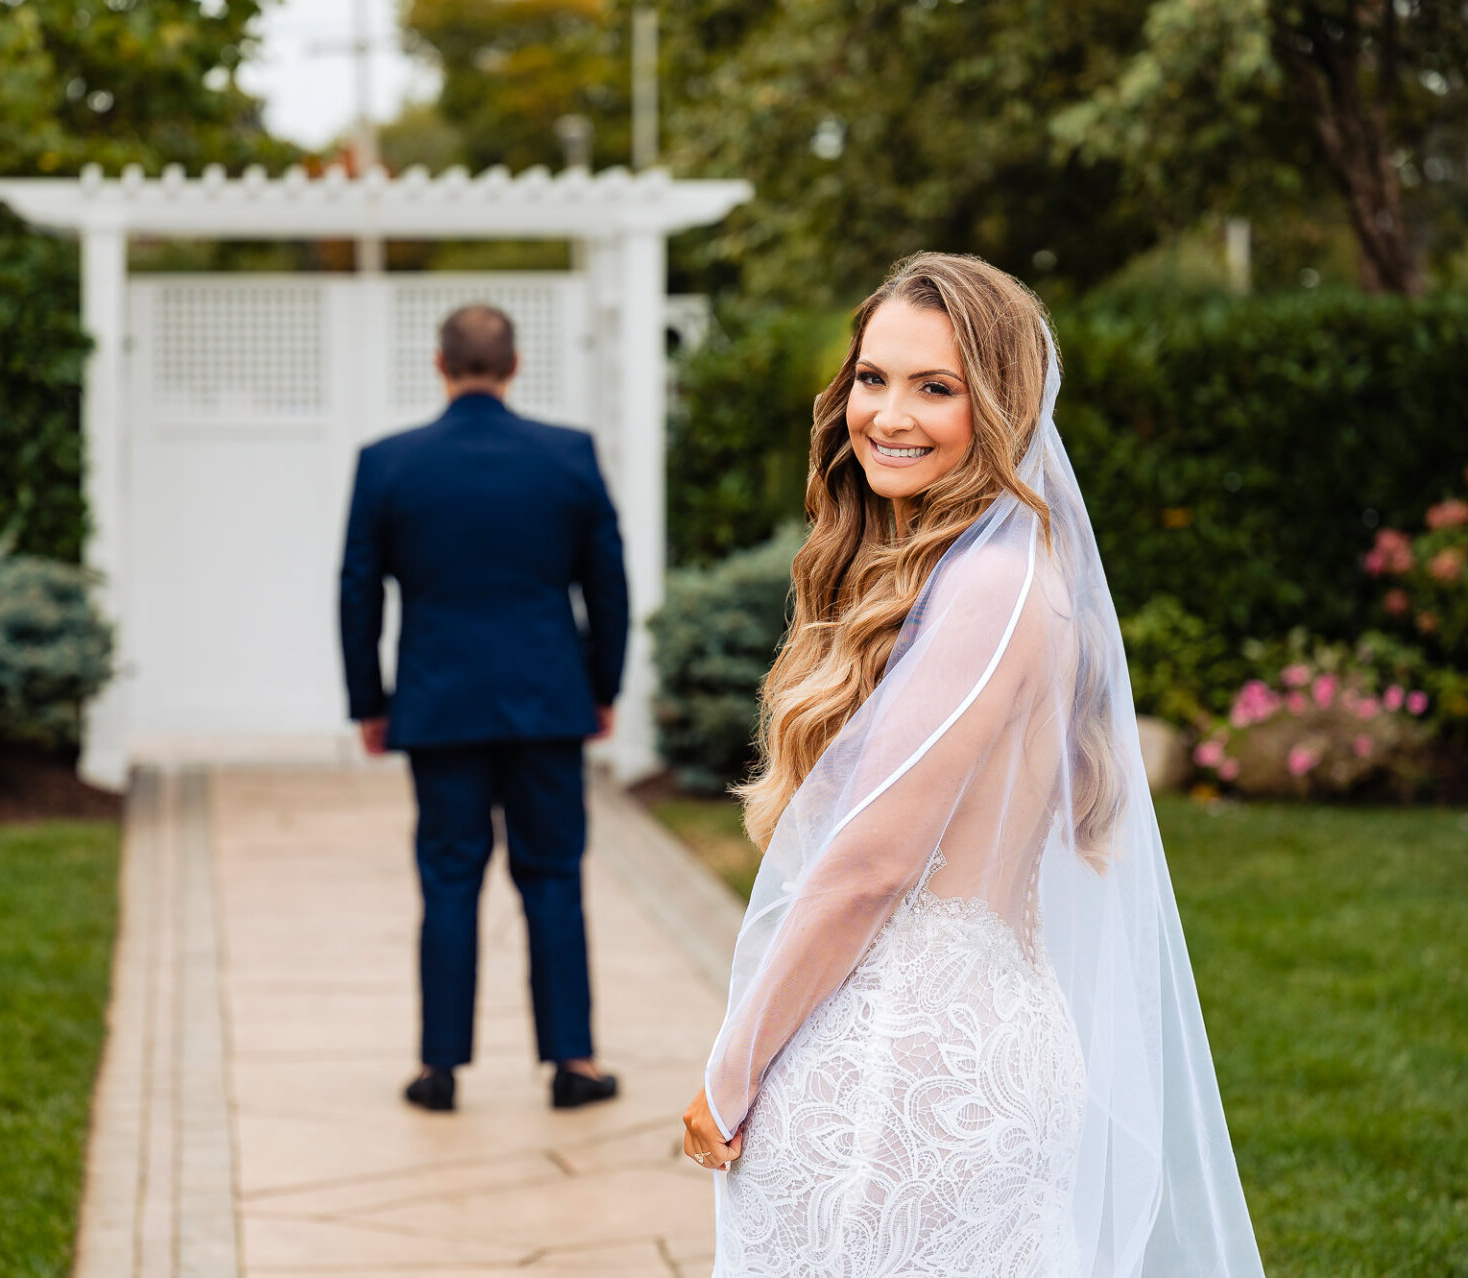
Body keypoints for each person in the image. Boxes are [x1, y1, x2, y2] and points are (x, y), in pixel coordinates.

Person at [680, 254, 1266, 1277]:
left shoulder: (991, 585)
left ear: (1000, 407)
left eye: (935, 388)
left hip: (903, 1075)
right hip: (966, 1041)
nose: (889, 415)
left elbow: (873, 867)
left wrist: (731, 1072)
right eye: (873, 378)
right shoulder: (994, 571)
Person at [338, 303, 629, 1114]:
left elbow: (358, 591)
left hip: (438, 704)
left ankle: (439, 1068)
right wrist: (603, 687)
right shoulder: (568, 455)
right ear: (514, 364)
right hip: (548, 700)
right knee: (553, 877)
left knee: (448, 878)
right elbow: (607, 583)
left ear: (439, 364)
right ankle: (573, 1061)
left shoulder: (388, 463)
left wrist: (369, 701)